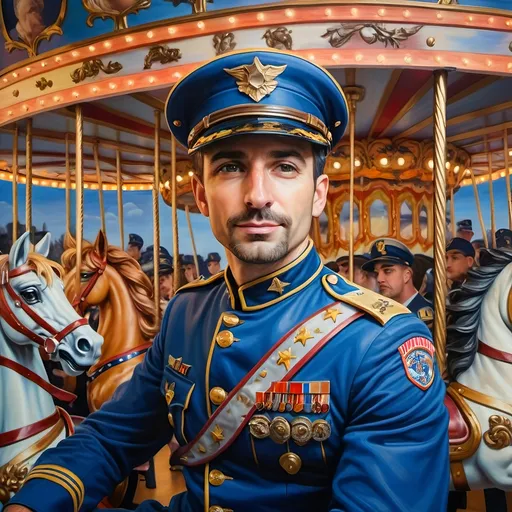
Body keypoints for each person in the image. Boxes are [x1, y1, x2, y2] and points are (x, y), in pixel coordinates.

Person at [6, 49, 448, 512]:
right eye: (230, 167)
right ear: (200, 194)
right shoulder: (187, 310)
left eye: (285, 166)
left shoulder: (385, 344)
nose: (257, 195)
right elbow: (114, 434)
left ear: (318, 195)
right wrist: (32, 503)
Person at [362, 238, 434, 328]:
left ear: (406, 275)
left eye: (387, 271)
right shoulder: (382, 312)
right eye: (377, 273)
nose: (379, 279)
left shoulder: (424, 316)